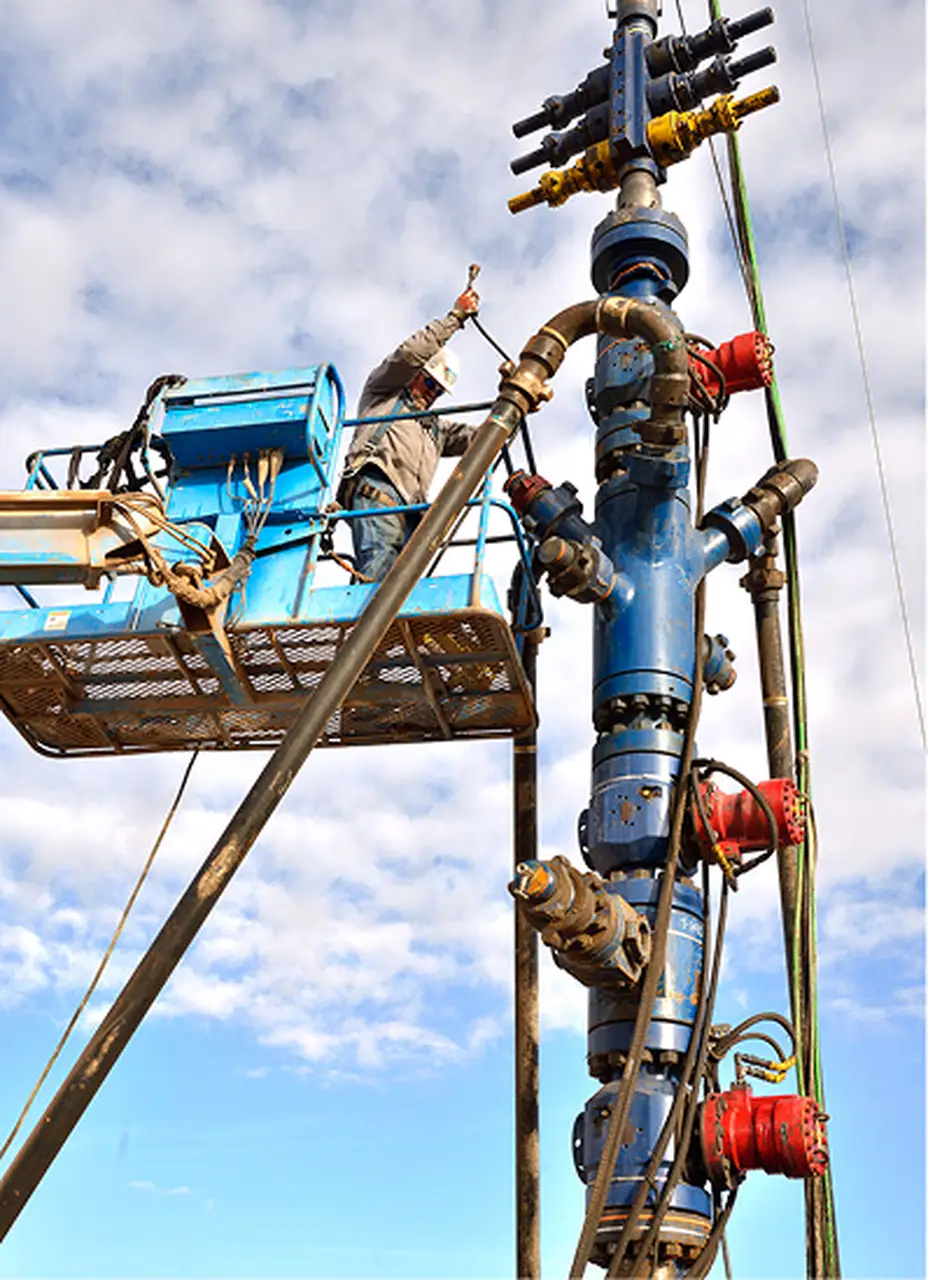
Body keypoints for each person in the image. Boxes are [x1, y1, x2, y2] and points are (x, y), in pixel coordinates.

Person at [339, 285, 481, 581]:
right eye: (430, 384)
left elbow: (478, 438)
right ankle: (370, 625)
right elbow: (410, 353)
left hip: (410, 514)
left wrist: (516, 407)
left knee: (400, 590)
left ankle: (376, 625)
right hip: (377, 490)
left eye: (439, 392)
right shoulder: (384, 390)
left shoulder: (434, 428)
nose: (433, 395)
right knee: (381, 577)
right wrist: (455, 318)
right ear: (417, 373)